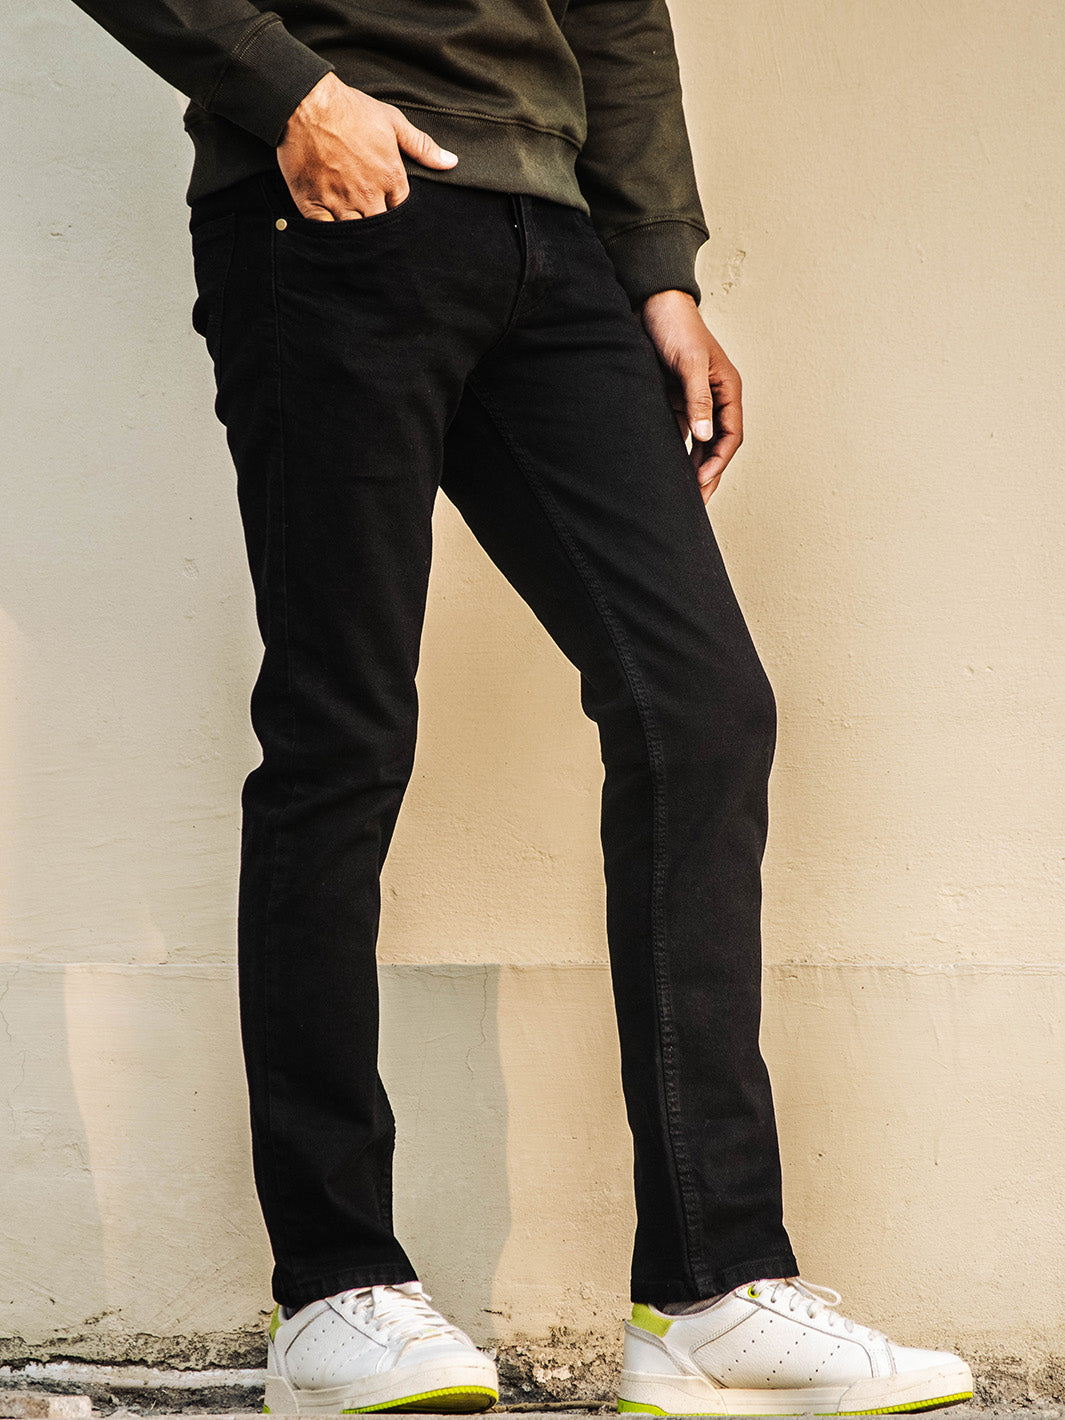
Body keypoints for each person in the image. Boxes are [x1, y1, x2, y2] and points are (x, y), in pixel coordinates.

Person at [69, 1, 974, 1415]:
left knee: (699, 710)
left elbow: (614, 12)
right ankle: (333, 1284)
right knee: (342, 730)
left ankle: (709, 1292)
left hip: (555, 242)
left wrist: (656, 266)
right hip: (329, 205)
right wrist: (291, 93)